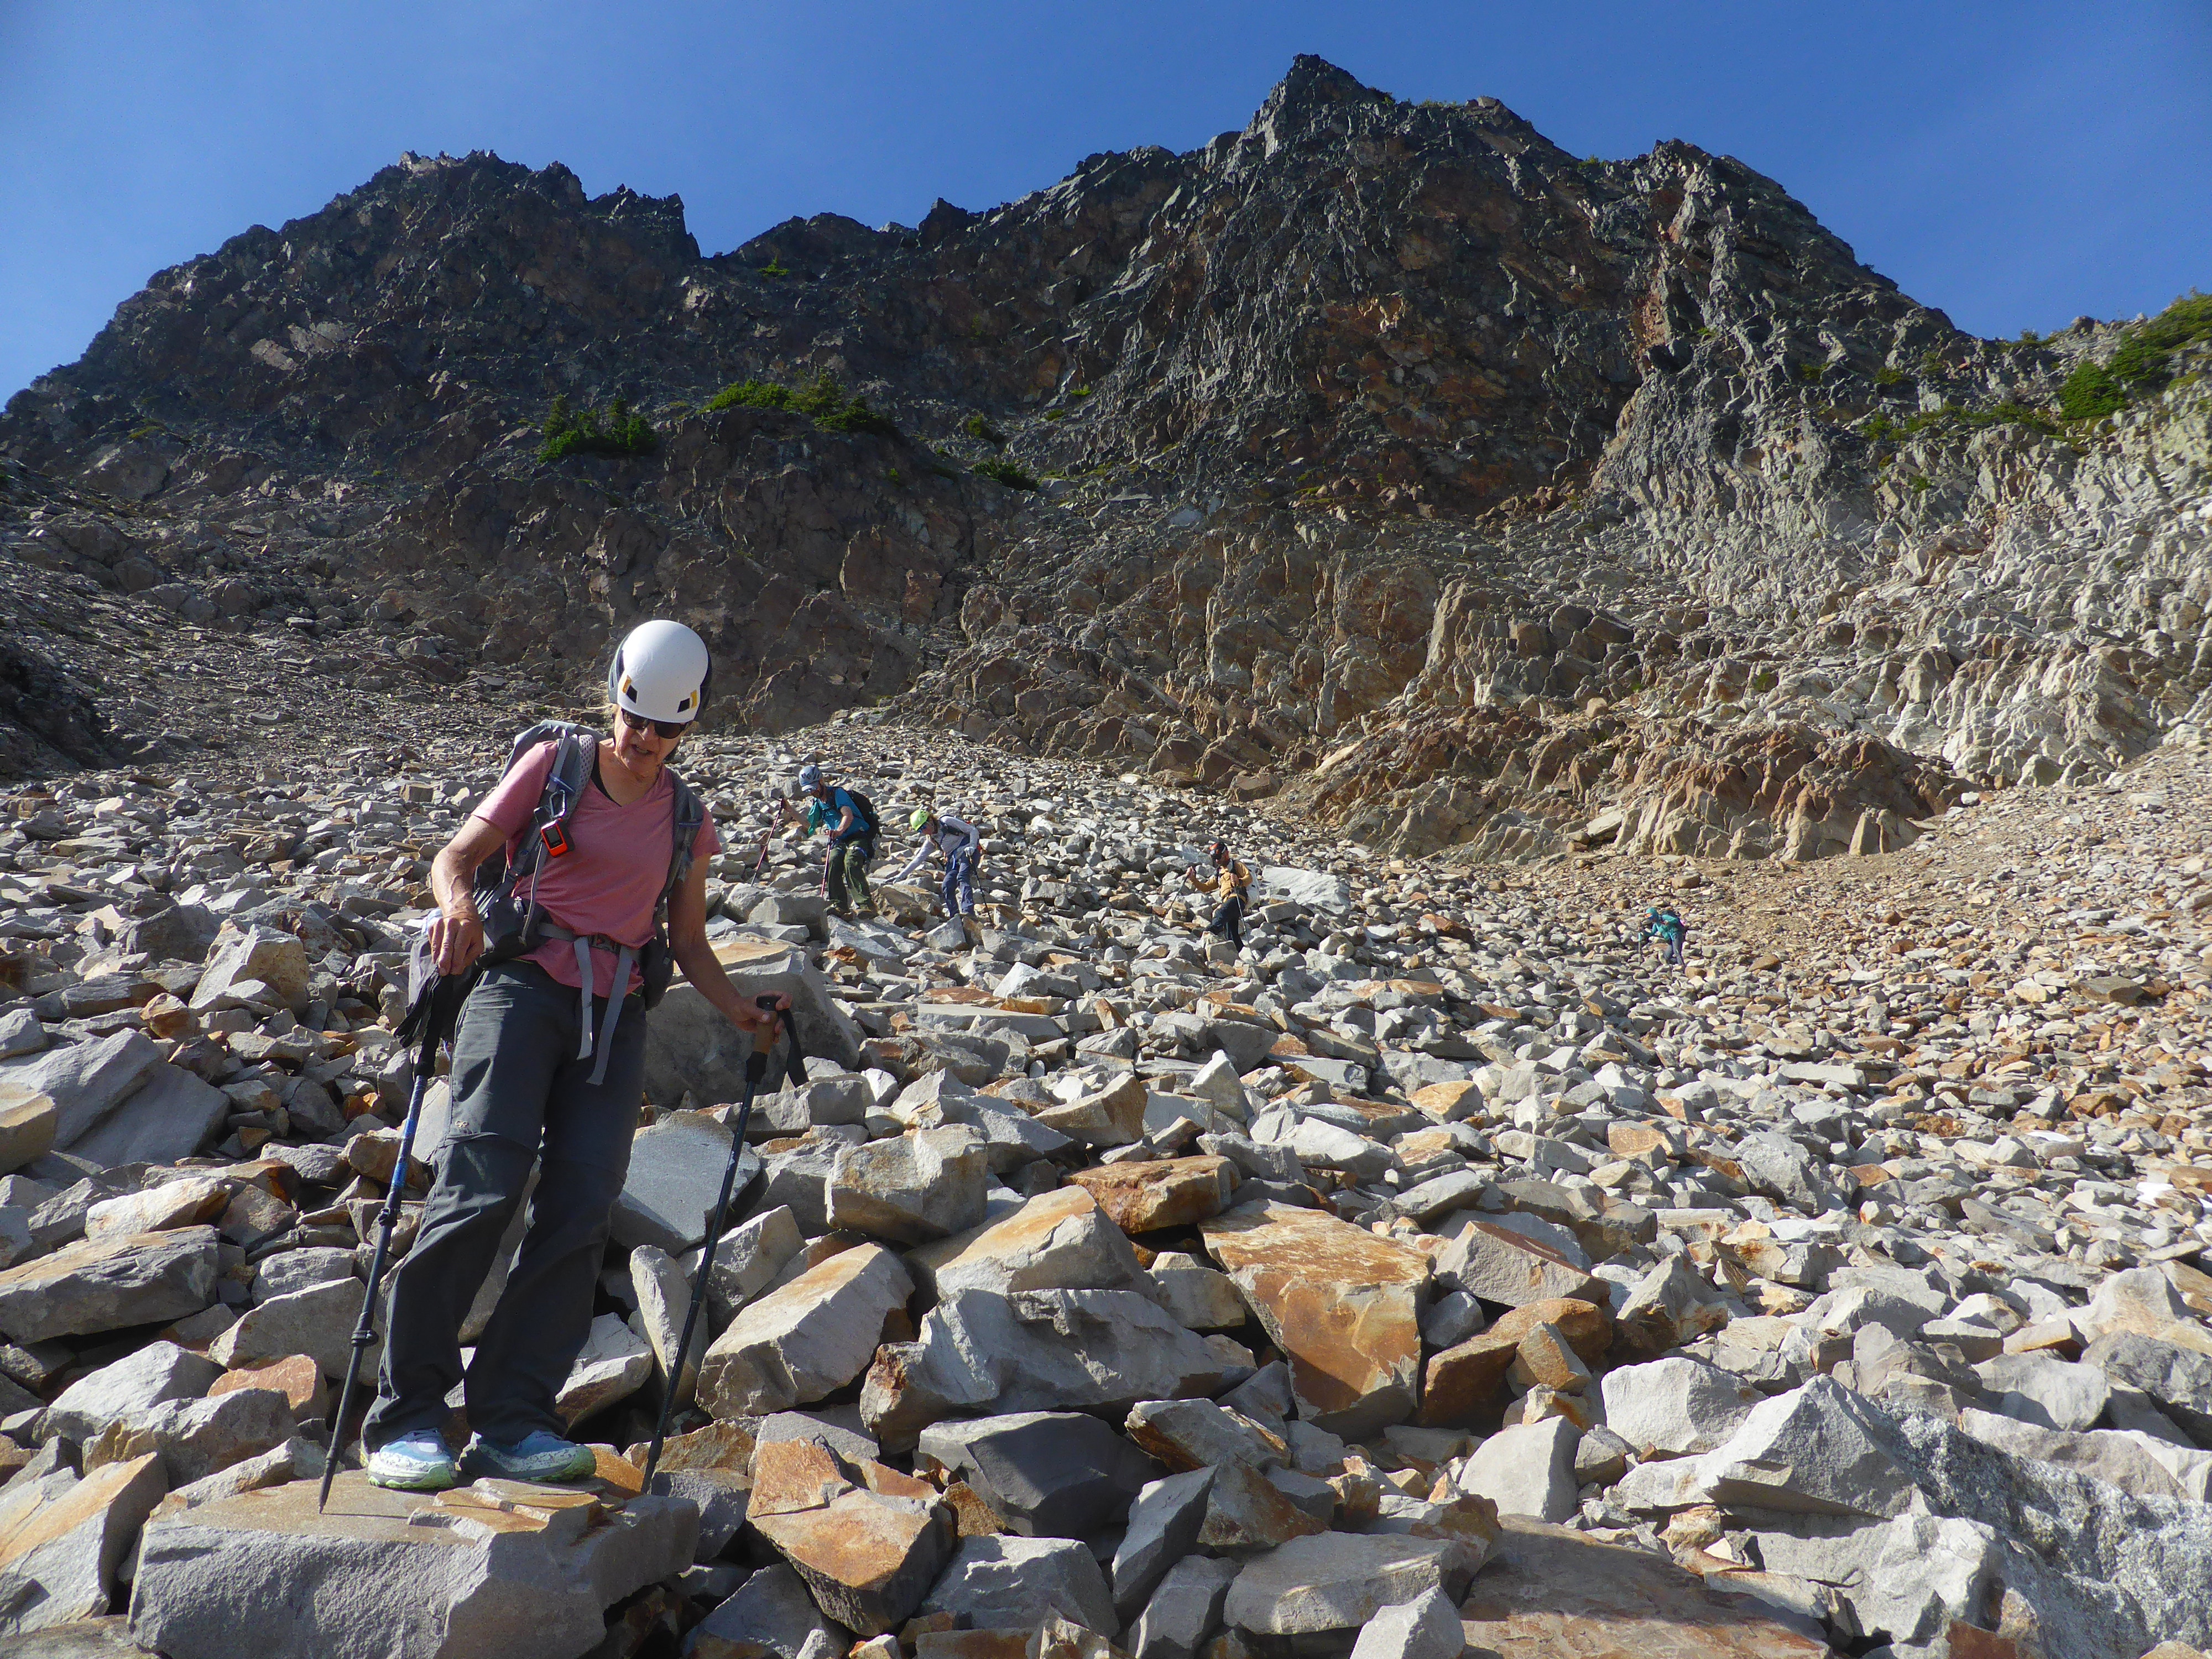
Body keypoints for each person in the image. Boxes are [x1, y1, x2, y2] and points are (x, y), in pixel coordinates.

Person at [362, 619, 789, 1492]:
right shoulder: (553, 766)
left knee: (582, 1206)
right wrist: (459, 911)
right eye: (634, 719)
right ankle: (405, 1418)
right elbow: (457, 858)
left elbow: (688, 940)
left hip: (616, 1017)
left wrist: (741, 1011)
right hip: (519, 993)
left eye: (665, 728)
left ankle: (513, 1419)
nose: (644, 740)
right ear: (614, 698)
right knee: (481, 1185)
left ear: (689, 725)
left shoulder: (687, 818)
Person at [783, 764, 879, 919]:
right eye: (808, 790)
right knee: (833, 861)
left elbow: (847, 815)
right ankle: (840, 906)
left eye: (813, 788)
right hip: (840, 840)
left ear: (821, 781)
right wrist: (790, 810)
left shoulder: (838, 794)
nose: (812, 792)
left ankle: (867, 906)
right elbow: (809, 825)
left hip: (859, 836)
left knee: (851, 861)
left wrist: (839, 831)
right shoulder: (818, 803)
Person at [896, 806, 982, 919]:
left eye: (924, 827)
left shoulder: (946, 822)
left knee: (962, 877)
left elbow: (972, 830)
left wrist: (972, 846)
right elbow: (918, 859)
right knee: (947, 885)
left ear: (930, 820)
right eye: (920, 830)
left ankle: (969, 913)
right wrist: (901, 875)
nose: (924, 831)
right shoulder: (932, 840)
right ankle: (955, 916)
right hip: (954, 859)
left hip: (969, 852)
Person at [1187, 839, 1251, 951]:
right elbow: (1206, 887)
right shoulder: (1219, 872)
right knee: (1231, 934)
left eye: (1218, 857)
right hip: (1228, 902)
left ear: (1226, 854)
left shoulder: (1236, 865)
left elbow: (1249, 878)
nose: (1217, 860)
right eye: (1215, 858)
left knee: (1220, 913)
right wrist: (1193, 879)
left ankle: (1210, 932)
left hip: (1237, 898)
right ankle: (1242, 953)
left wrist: (1239, 881)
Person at [1645, 904, 1688, 968]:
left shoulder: (1664, 917)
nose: (1652, 919)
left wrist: (1669, 922)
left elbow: (1675, 920)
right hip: (1670, 940)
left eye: (1652, 917)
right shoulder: (1656, 925)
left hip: (1676, 935)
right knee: (1666, 957)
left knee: (1677, 952)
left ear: (1655, 915)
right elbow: (1651, 933)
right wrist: (1642, 932)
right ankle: (1675, 963)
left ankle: (1682, 967)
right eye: (1650, 918)